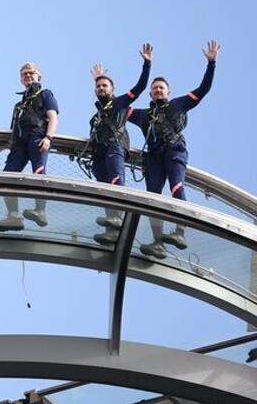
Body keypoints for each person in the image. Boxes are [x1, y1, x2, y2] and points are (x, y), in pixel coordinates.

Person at [127, 41, 220, 259]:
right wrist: (146, 67)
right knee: (153, 198)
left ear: (168, 92)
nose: (158, 90)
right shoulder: (143, 115)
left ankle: (180, 232)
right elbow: (120, 108)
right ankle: (157, 242)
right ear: (150, 94)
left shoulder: (178, 105)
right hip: (154, 158)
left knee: (176, 187)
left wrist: (211, 63)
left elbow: (203, 89)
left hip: (174, 150)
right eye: (155, 88)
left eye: (161, 88)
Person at [87, 44, 153, 245]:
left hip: (115, 147)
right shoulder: (97, 115)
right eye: (98, 87)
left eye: (104, 86)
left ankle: (118, 220)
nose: (100, 88)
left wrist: (147, 64)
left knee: (116, 182)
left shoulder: (120, 103)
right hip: (99, 153)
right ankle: (111, 229)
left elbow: (140, 87)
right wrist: (97, 79)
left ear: (112, 89)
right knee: (104, 189)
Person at [0, 62, 59, 231]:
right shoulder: (19, 106)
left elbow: (53, 117)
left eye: (31, 73)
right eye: (24, 74)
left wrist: (48, 137)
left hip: (38, 136)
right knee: (7, 177)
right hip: (20, 143)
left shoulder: (45, 94)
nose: (27, 75)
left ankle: (40, 210)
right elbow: (13, 134)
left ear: (39, 76)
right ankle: (13, 216)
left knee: (39, 172)